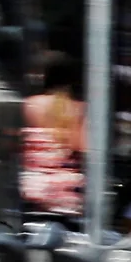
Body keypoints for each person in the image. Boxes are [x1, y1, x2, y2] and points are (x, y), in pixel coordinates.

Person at [19, 52, 86, 218]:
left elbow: (12, 145)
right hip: (66, 192)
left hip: (29, 187)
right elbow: (82, 146)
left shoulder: (29, 105)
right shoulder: (79, 109)